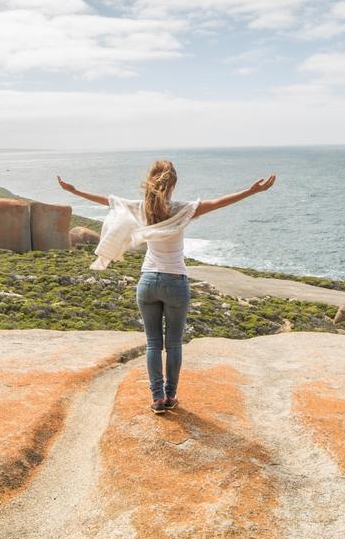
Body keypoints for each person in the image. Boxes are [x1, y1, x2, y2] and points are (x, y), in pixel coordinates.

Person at [57, 161, 276, 414]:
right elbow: (219, 203)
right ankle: (171, 396)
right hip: (175, 282)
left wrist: (74, 191)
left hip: (148, 281)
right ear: (173, 184)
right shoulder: (183, 209)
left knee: (153, 344)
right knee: (173, 344)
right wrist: (252, 191)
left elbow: (108, 201)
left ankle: (157, 399)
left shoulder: (141, 208)